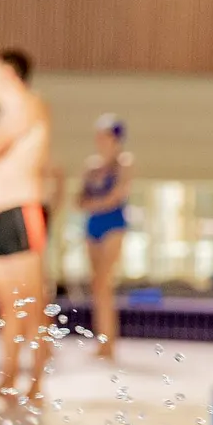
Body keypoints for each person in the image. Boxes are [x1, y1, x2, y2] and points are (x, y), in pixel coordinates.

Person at [0, 48, 53, 402]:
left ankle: (37, 381)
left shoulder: (30, 105)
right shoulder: (6, 114)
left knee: (31, 302)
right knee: (8, 305)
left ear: (7, 72)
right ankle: (9, 376)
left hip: (20, 212)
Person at [78, 114, 133, 359]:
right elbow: (79, 199)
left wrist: (94, 204)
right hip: (93, 225)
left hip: (113, 224)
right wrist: (94, 204)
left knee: (104, 283)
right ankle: (102, 341)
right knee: (96, 285)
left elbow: (117, 196)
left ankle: (109, 342)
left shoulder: (124, 163)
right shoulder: (91, 165)